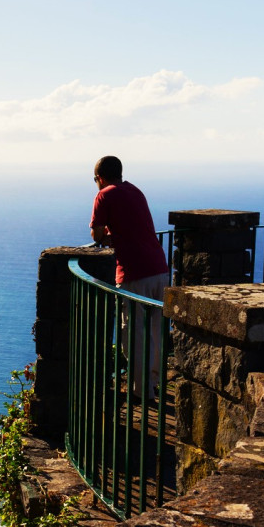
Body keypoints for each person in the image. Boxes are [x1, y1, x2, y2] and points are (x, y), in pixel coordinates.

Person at [89, 156, 170, 399]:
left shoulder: (105, 194)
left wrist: (106, 237)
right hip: (160, 269)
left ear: (100, 178)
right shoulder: (135, 190)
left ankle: (141, 392)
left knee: (133, 333)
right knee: (156, 331)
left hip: (134, 273)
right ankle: (154, 383)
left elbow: (96, 234)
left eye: (95, 180)